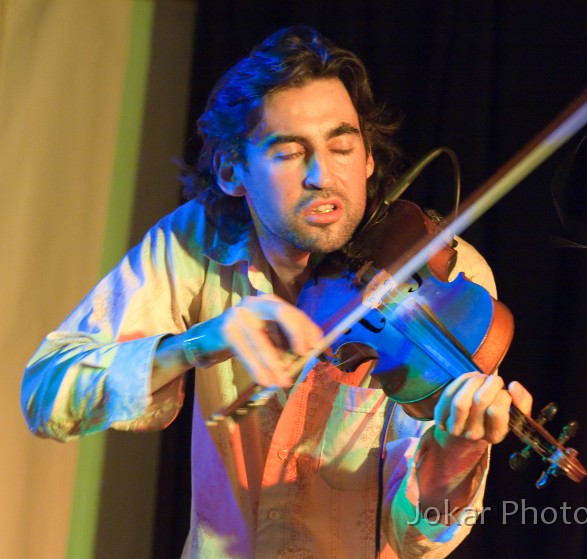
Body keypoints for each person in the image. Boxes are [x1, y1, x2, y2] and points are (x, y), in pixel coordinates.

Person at [22, 26, 532, 558]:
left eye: (342, 146)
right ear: (231, 170)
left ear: (368, 160)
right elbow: (46, 396)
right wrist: (195, 344)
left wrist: (452, 456)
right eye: (290, 152)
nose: (322, 176)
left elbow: (416, 539)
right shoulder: (196, 242)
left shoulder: (449, 280)